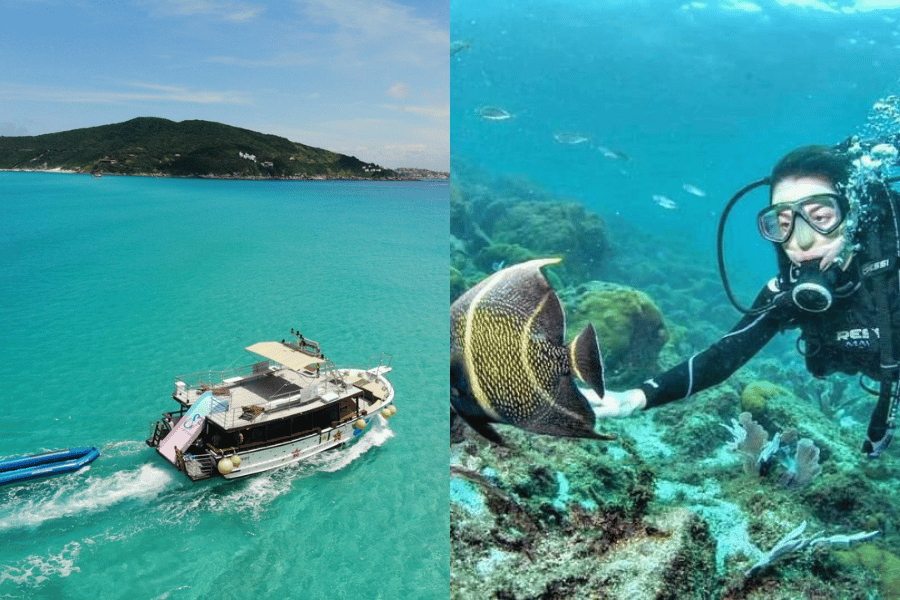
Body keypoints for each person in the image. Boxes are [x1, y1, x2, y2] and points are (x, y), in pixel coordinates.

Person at [592, 143, 900, 457]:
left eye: (820, 217)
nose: (802, 240)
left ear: (854, 216)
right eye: (783, 224)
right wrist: (634, 398)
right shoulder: (784, 292)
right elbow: (722, 357)